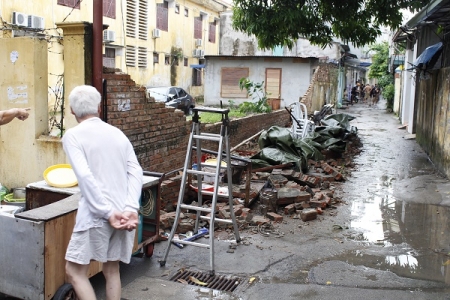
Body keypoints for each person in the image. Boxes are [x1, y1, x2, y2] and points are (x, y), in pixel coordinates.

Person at [62, 85, 143, 300]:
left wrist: (106, 212)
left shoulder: (73, 136)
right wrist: (130, 208)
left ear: (71, 110)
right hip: (122, 213)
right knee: (111, 270)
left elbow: (85, 177)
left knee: (74, 271)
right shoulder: (117, 133)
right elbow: (136, 170)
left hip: (96, 215)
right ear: (98, 107)